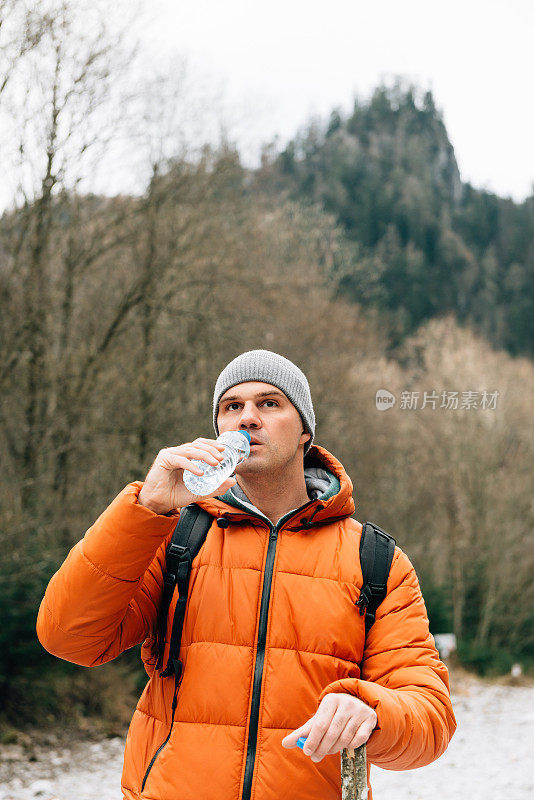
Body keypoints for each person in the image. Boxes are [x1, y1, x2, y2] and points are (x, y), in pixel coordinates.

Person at [37, 349, 456, 800]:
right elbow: (68, 637)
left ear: (305, 433)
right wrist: (146, 509)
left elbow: (429, 719)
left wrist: (374, 711)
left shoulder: (375, 559)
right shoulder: (173, 535)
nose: (248, 418)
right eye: (232, 407)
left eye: (270, 403)